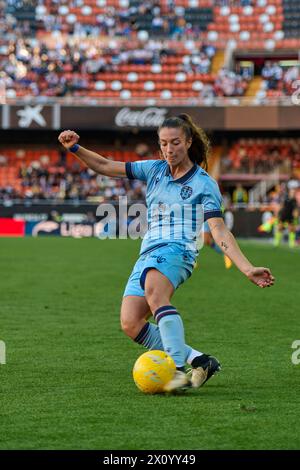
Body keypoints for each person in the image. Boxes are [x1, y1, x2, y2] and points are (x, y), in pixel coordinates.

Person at [58, 114, 275, 392]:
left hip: (179, 250)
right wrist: (75, 148)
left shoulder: (204, 183)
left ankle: (176, 371)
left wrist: (246, 268)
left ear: (188, 142)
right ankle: (201, 360)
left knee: (155, 292)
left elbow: (219, 231)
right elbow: (104, 165)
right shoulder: (154, 170)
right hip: (148, 251)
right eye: (163, 143)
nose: (169, 149)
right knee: (131, 322)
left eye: (175, 143)